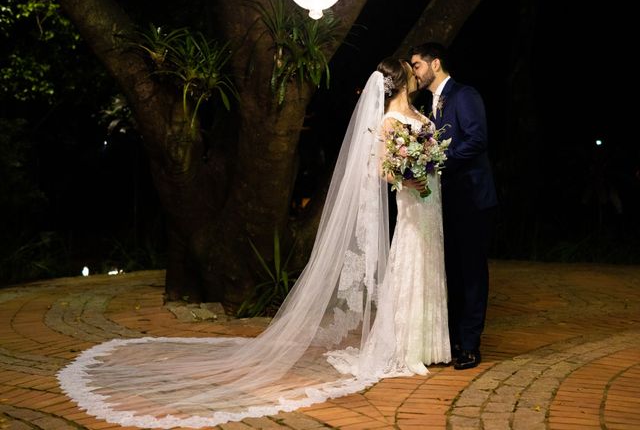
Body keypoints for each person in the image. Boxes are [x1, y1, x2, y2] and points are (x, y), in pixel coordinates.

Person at [56, 58, 449, 429]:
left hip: (430, 207)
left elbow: (419, 155)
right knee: (408, 265)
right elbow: (382, 169)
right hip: (413, 202)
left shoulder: (419, 115)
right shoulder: (388, 121)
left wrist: (427, 163)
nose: (416, 75)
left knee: (428, 265)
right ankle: (405, 344)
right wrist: (409, 176)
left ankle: (429, 342)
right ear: (401, 80)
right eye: (410, 71)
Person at [410, 42, 498, 370]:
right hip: (445, 202)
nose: (415, 72)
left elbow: (476, 140)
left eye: (417, 65)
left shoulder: (465, 95)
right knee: (452, 273)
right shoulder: (430, 103)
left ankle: (471, 345)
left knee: (472, 272)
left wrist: (436, 161)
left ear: (435, 63)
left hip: (473, 199)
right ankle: (454, 339)